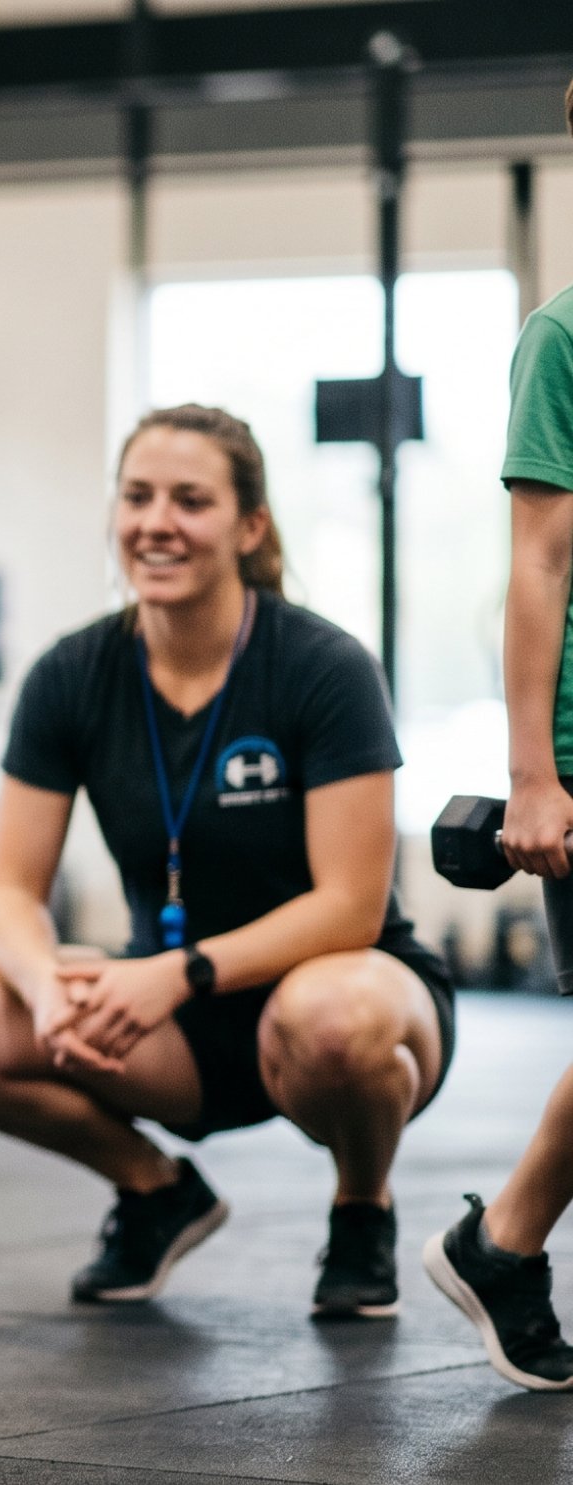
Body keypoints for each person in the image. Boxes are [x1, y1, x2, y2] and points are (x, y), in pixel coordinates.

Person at [0, 405, 452, 1321]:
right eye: (138, 496)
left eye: (190, 500)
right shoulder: (71, 674)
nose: (156, 521)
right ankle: (155, 1187)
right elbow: (7, 887)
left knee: (332, 1014)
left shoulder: (324, 667)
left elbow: (350, 907)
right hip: (174, 1018)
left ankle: (362, 1207)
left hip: (343, 994)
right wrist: (44, 981)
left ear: (249, 527)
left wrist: (181, 971)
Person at [420, 77, 573, 1393]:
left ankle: (506, 1243)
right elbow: (540, 562)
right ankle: (506, 1242)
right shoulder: (564, 336)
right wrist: (534, 773)